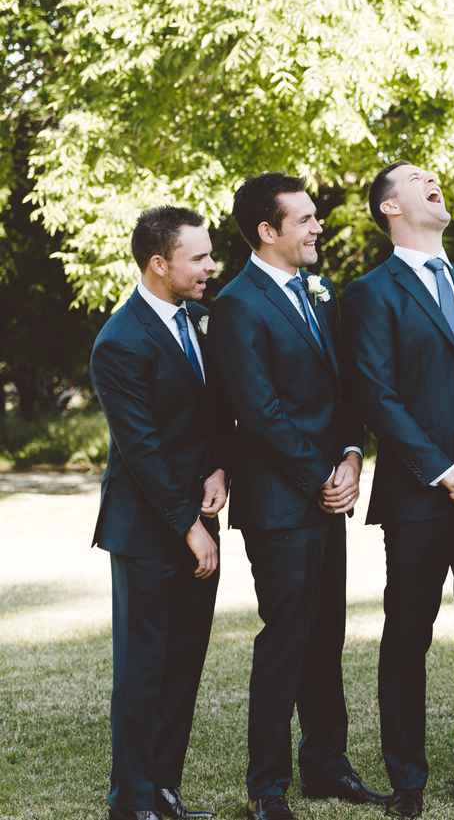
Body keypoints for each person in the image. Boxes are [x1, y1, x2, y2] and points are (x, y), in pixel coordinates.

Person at [340, 162, 454, 818]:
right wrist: (448, 473)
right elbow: (378, 396)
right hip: (419, 495)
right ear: (390, 207)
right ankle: (408, 780)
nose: (433, 180)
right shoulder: (370, 293)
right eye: (416, 178)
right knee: (407, 633)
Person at [208, 173, 384, 820]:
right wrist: (318, 475)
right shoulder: (237, 304)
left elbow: (342, 390)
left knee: (326, 633)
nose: (318, 227)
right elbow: (258, 411)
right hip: (279, 501)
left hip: (325, 490)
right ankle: (267, 786)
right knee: (285, 634)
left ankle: (327, 765)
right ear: (267, 230)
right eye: (304, 218)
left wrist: (350, 454)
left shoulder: (319, 290)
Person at [90, 206, 232, 820]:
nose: (210, 267)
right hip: (149, 530)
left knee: (183, 663)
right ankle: (132, 802)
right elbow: (141, 450)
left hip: (198, 518)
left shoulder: (198, 320)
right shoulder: (119, 342)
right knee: (145, 667)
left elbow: (213, 411)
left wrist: (220, 466)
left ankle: (166, 795)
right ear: (158, 264)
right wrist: (188, 528)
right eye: (198, 258)